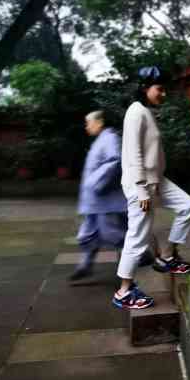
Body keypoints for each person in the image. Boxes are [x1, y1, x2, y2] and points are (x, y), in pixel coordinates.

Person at [112, 66, 190, 310]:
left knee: (187, 206)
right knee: (137, 236)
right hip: (142, 184)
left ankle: (168, 256)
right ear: (144, 88)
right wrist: (140, 189)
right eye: (159, 89)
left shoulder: (146, 112)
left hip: (156, 180)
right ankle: (124, 291)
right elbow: (132, 153)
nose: (164, 94)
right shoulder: (135, 112)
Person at [69, 110, 128, 282]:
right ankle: (85, 265)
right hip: (94, 201)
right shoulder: (101, 140)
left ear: (100, 122)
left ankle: (140, 254)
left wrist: (96, 182)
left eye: (89, 122)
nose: (87, 126)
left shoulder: (110, 138)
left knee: (111, 234)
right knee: (87, 235)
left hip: (104, 200)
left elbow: (115, 161)